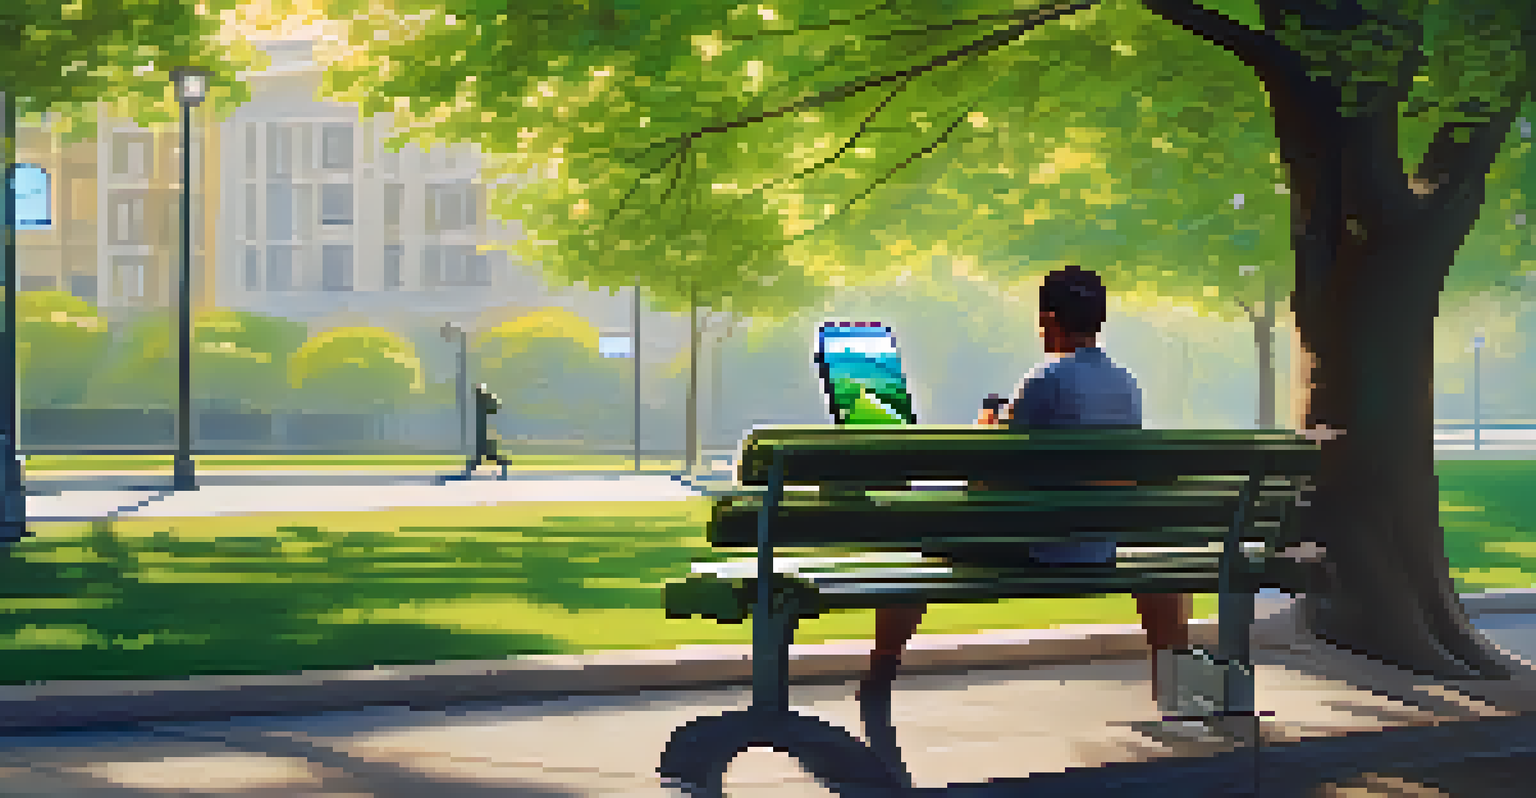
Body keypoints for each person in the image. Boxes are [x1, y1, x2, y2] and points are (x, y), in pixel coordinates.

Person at [859, 265, 1192, 705]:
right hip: (1096, 543)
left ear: (1050, 320)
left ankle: (881, 671)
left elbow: (992, 475)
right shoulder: (1125, 384)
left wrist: (986, 430)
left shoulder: (1045, 380)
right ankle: (1174, 687)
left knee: (922, 535)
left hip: (1041, 547)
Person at [463, 383, 511, 480]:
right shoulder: (480, 402)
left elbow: (494, 408)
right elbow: (494, 408)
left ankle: (503, 464)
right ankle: (470, 469)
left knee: (486, 454)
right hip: (482, 433)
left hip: (483, 433)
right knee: (484, 455)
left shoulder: (481, 402)